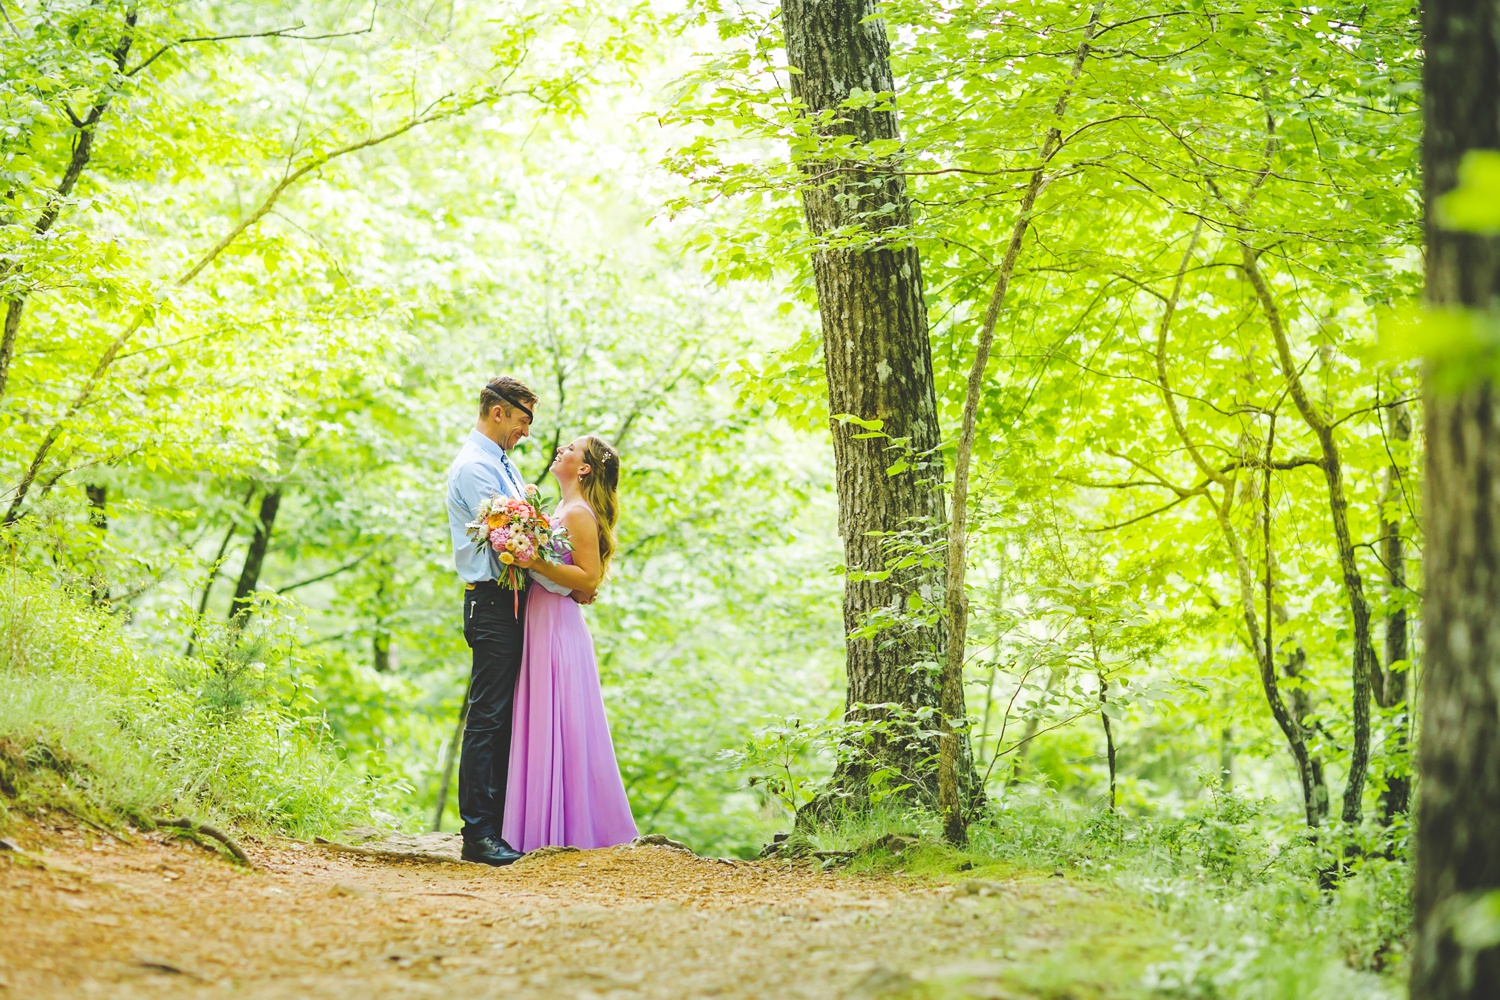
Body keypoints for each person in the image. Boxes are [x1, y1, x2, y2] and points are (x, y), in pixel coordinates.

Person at [446, 377, 594, 866]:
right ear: (498, 414)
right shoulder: (475, 469)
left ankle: (506, 827)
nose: (527, 432)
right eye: (524, 420)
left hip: (514, 604)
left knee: (508, 719)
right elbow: (507, 542)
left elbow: (526, 537)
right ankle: (478, 835)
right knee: (488, 719)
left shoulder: (500, 465)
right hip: (491, 603)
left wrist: (567, 580)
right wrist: (562, 576)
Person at [504, 434, 638, 851]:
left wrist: (534, 560)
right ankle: (539, 830)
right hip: (541, 618)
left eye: (570, 450)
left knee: (561, 721)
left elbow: (589, 578)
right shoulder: (559, 508)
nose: (560, 450)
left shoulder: (578, 513)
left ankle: (576, 830)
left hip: (558, 627)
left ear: (583, 468)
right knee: (544, 720)